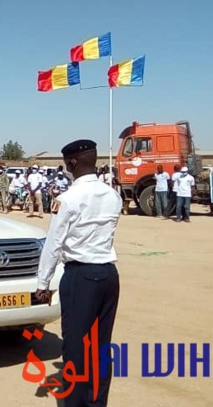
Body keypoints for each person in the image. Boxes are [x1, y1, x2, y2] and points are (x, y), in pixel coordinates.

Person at [36, 139, 122, 407]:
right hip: (108, 275)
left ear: (72, 163)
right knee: (100, 347)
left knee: (75, 347)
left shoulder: (68, 199)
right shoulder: (112, 195)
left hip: (81, 277)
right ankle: (97, 402)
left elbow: (54, 243)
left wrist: (43, 282)